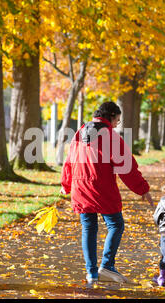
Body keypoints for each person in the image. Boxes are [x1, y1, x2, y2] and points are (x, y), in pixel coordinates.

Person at [60, 101, 154, 285]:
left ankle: (91, 273)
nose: (117, 124)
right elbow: (127, 166)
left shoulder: (79, 133)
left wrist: (66, 184)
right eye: (117, 120)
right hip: (101, 188)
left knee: (88, 228)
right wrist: (142, 189)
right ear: (110, 117)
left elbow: (69, 160)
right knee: (116, 225)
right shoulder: (110, 136)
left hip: (80, 189)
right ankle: (107, 265)